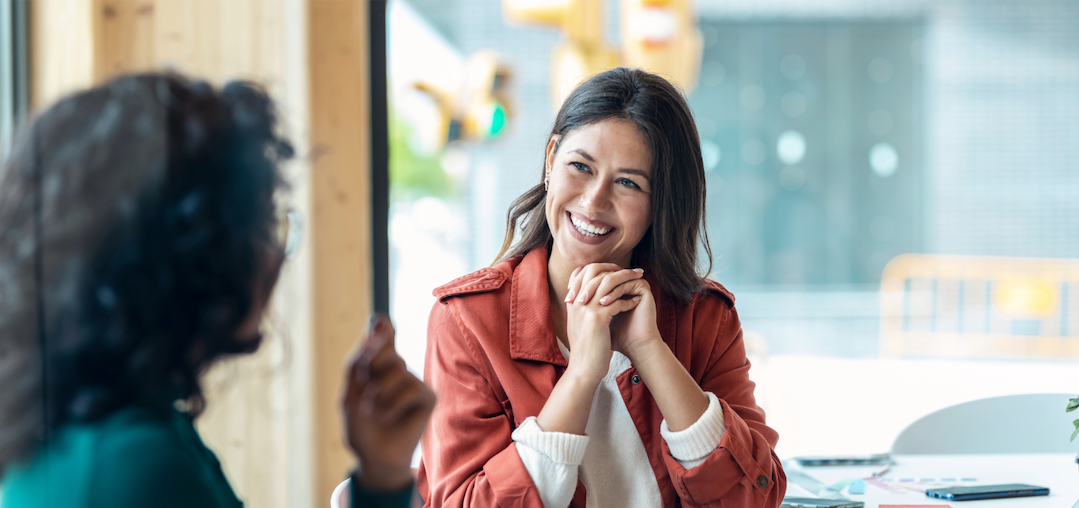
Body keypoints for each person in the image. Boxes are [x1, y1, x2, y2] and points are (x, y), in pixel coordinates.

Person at [0, 73, 434, 507]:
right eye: (264, 224)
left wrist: (383, 473)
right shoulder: (137, 467)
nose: (276, 256)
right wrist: (381, 484)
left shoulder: (106, 431)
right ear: (195, 252)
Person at [418, 68, 785, 508]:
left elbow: (752, 497)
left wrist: (649, 349)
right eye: (580, 167)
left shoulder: (705, 318)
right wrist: (581, 376)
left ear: (660, 203)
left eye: (628, 182)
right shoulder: (467, 322)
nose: (593, 201)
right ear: (551, 159)